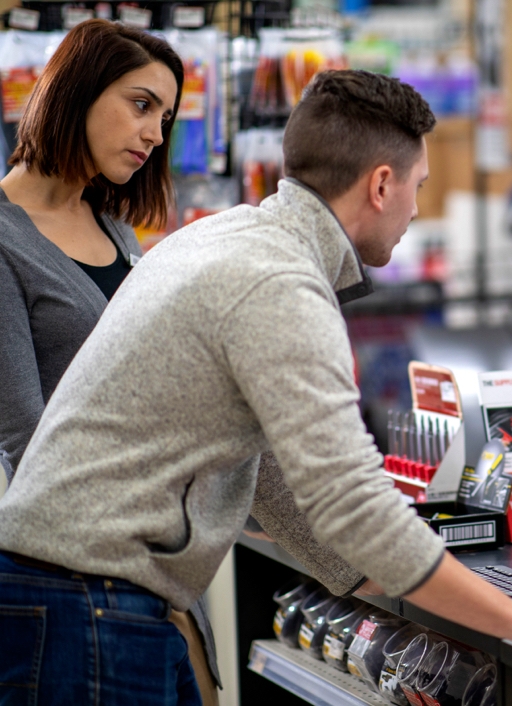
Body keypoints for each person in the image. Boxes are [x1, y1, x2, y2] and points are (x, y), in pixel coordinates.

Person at [0, 69, 512, 703]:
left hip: (75, 594)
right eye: (419, 186)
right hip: (85, 606)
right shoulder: (279, 283)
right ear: (381, 184)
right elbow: (350, 499)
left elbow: (275, 478)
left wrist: (379, 575)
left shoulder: (226, 238)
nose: (417, 210)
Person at [0, 20, 222, 705]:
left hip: (149, 575)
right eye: (141, 103)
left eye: (167, 116)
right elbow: (24, 433)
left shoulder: (119, 235)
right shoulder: (5, 239)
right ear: (77, 91)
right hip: (71, 585)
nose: (156, 133)